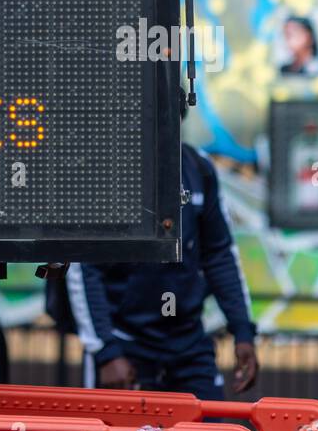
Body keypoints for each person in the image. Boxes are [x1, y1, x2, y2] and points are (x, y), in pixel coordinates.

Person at [67, 142, 259, 400]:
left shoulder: (198, 167)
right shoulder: (106, 167)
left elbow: (219, 254)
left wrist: (242, 330)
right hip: (125, 346)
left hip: (189, 343)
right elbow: (83, 266)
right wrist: (107, 353)